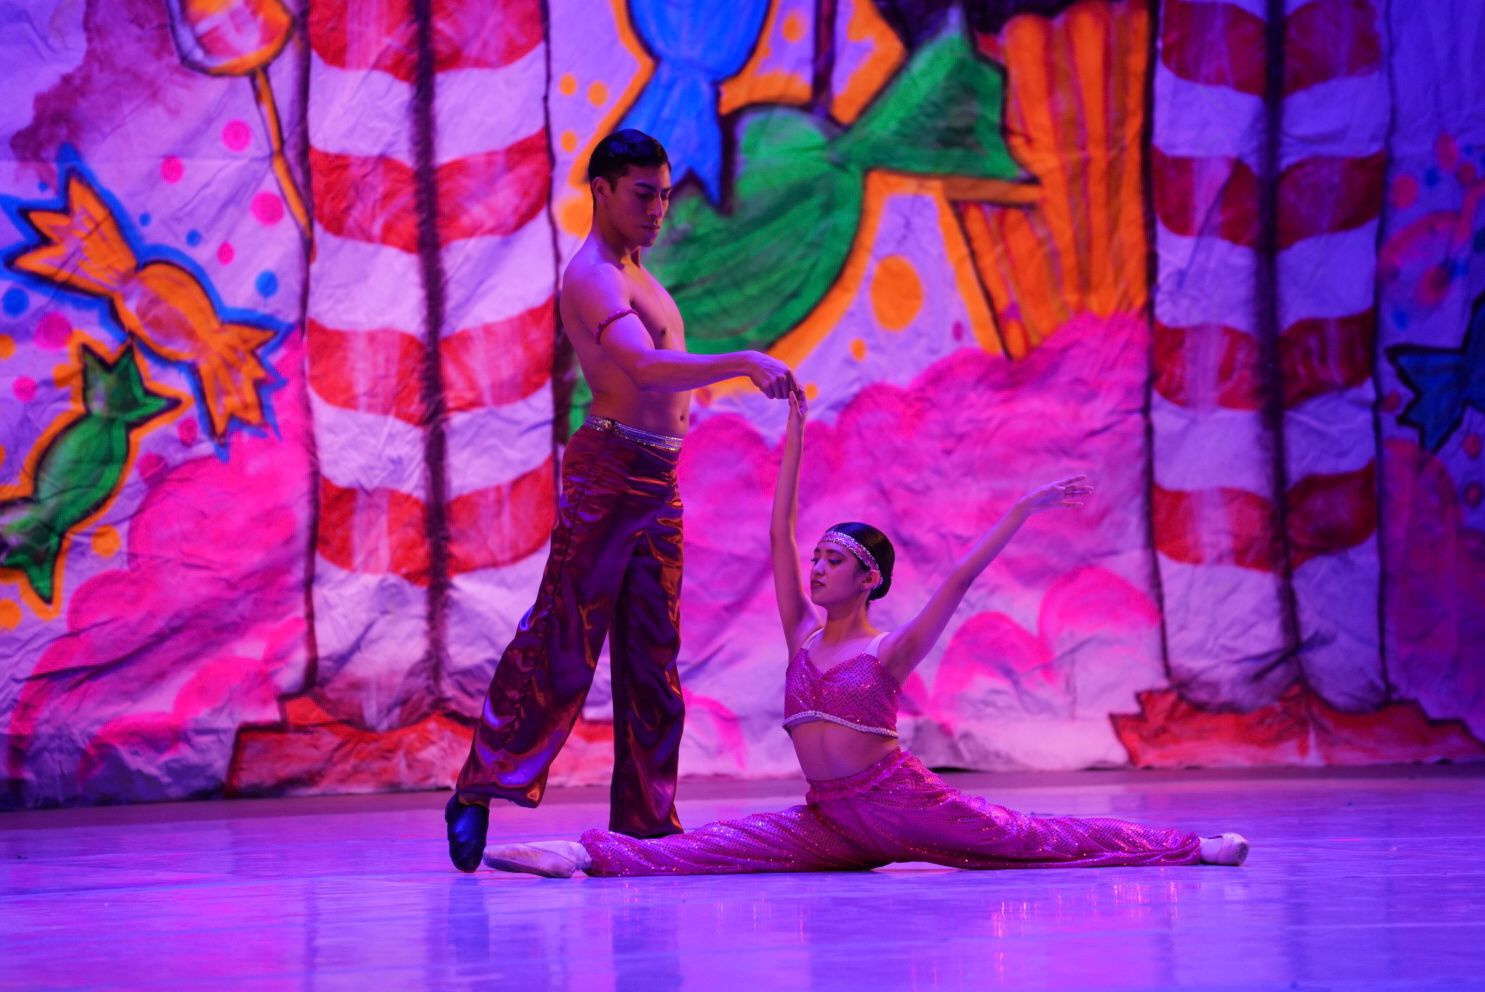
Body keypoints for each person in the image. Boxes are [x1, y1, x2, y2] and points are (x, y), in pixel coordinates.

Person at [480, 392, 1251, 877]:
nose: (816, 568)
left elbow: (957, 583)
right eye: (817, 558)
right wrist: (795, 425)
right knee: (714, 849)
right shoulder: (799, 637)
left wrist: (1020, 511)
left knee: (1029, 839)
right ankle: (579, 854)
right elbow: (779, 529)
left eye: (834, 560)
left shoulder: (888, 649)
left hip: (901, 800)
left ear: (870, 578)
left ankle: (1192, 848)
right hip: (829, 817)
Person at [445, 129, 801, 872]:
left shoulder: (639, 273)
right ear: (602, 189)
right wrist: (741, 361)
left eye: (665, 194)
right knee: (564, 635)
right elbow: (640, 366)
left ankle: (645, 820)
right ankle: (480, 785)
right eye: (643, 193)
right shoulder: (593, 276)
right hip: (609, 469)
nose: (658, 208)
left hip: (657, 476)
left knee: (653, 651)